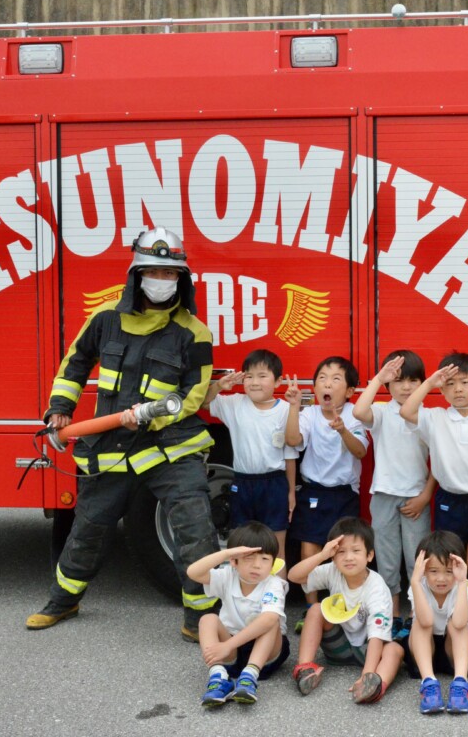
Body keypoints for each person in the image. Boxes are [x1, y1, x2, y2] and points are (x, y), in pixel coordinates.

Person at [26, 226, 220, 640]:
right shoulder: (105, 320)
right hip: (114, 446)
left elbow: (193, 394)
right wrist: (60, 409)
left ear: (182, 281)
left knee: (195, 529)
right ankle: (63, 600)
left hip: (172, 447)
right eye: (154, 272)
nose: (162, 281)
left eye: (171, 275)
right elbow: (74, 366)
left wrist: (151, 418)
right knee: (90, 526)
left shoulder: (194, 332)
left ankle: (199, 617)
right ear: (137, 275)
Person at [400, 351, 468, 651]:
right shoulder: (435, 418)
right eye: (450, 384)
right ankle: (446, 616)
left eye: (465, 382)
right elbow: (407, 411)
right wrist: (430, 383)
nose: (458, 389)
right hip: (449, 501)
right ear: (442, 388)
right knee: (446, 563)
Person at [353, 350, 434, 640]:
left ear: (423, 384)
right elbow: (358, 412)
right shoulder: (382, 411)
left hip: (416, 499)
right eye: (399, 381)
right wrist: (379, 378)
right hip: (384, 496)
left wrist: (426, 496)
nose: (406, 387)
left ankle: (416, 615)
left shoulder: (427, 416)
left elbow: (439, 461)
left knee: (417, 560)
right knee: (386, 560)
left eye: (413, 381)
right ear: (389, 385)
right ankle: (393, 614)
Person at [285, 356, 369, 624]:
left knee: (344, 551)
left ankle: (340, 605)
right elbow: (293, 440)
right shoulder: (309, 413)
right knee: (310, 550)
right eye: (322, 378)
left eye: (335, 379)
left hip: (344, 493)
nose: (327, 383)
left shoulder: (355, 414)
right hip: (313, 491)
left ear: (349, 391)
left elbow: (361, 451)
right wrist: (294, 407)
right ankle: (312, 609)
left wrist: (343, 430)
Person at [288, 516, 404, 703]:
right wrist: (321, 556)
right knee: (316, 609)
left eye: (356, 551)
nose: (348, 557)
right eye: (341, 552)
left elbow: (376, 635)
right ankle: (304, 668)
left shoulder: (377, 588)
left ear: (369, 555)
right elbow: (294, 576)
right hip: (338, 646)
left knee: (395, 650)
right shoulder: (332, 570)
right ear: (333, 556)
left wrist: (367, 672)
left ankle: (374, 684)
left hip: (368, 649)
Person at [203, 348, 297, 570]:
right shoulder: (235, 403)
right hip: (242, 483)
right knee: (242, 544)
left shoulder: (285, 409)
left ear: (277, 382)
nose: (254, 382)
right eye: (249, 376)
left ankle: (276, 599)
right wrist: (218, 386)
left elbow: (290, 454)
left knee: (275, 546)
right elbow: (203, 402)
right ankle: (243, 596)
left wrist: (291, 491)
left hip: (274, 483)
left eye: (262, 376)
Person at [186, 522, 291, 707]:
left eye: (265, 559)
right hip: (231, 651)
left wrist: (227, 645)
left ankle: (249, 677)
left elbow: (269, 620)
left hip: (265, 654)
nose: (257, 565)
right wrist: (226, 553)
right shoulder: (228, 575)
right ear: (235, 561)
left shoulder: (273, 584)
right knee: (207, 619)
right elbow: (193, 572)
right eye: (249, 558)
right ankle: (218, 677)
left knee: (270, 621)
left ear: (273, 563)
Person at [404, 531, 468, 715]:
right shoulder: (418, 585)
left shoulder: (462, 586)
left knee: (456, 625)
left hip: (454, 650)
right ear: (423, 569)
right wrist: (415, 581)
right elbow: (426, 621)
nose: (441, 578)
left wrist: (460, 582)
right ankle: (429, 683)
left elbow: (460, 622)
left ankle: (460, 682)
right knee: (420, 623)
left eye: (449, 571)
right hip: (425, 650)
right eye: (433, 571)